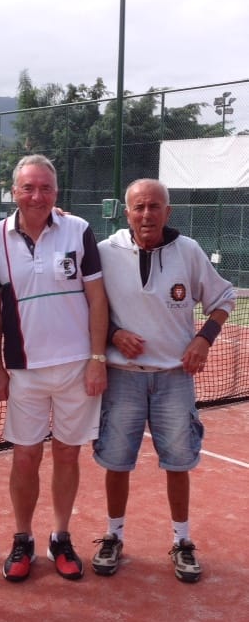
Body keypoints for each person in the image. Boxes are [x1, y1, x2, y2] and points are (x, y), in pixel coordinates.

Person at [91, 178, 236, 583]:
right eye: (139, 207)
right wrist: (112, 334)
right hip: (122, 378)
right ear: (126, 213)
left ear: (168, 212)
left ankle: (182, 541)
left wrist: (203, 339)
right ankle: (113, 536)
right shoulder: (105, 252)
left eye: (155, 206)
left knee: (178, 463)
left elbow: (224, 298)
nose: (146, 214)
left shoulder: (188, 251)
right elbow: (84, 305)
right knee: (116, 462)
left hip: (174, 378)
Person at [0, 154, 108, 582]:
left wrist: (97, 359)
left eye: (46, 188)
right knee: (25, 457)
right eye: (28, 187)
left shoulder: (79, 229)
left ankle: (61, 537)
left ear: (56, 192)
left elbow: (97, 299)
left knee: (68, 454)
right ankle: (23, 538)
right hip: (24, 369)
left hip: (77, 366)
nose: (37, 196)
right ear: (13, 191)